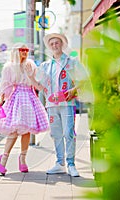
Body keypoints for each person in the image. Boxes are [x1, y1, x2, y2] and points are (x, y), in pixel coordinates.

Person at [0, 43, 49, 176]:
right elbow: (5, 84)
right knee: (14, 130)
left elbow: (37, 86)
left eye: (26, 50)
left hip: (29, 98)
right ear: (16, 51)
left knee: (27, 130)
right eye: (22, 50)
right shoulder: (9, 67)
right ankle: (3, 160)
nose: (25, 52)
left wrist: (30, 75)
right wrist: (1, 99)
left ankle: (22, 159)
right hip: (16, 98)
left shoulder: (31, 65)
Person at [36, 33, 85, 177]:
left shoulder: (72, 62)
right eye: (51, 44)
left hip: (67, 103)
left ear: (62, 44)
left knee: (68, 132)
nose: (54, 46)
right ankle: (59, 163)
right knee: (55, 133)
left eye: (57, 43)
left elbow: (84, 79)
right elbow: (38, 82)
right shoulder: (46, 66)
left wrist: (74, 90)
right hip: (51, 104)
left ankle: (71, 164)